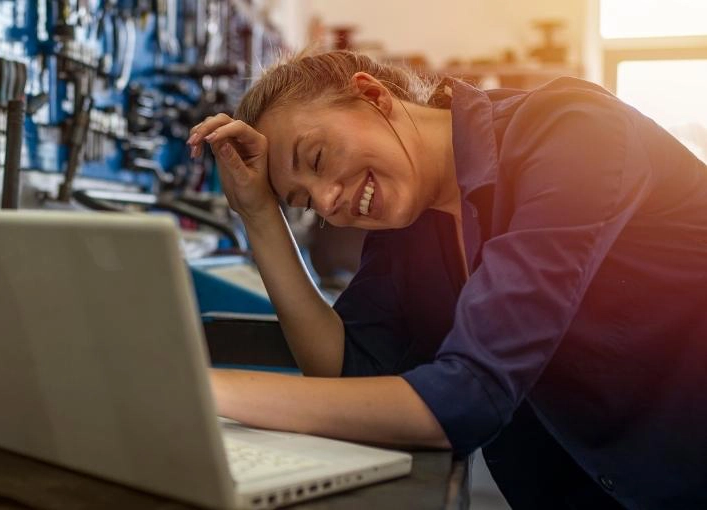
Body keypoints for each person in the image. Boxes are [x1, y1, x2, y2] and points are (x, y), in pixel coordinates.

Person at [187, 49, 707, 509]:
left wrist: (195, 389)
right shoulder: (407, 225)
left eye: (317, 159)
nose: (326, 202)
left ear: (371, 96)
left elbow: (469, 396)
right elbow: (346, 369)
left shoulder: (574, 133)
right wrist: (259, 214)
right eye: (305, 204)